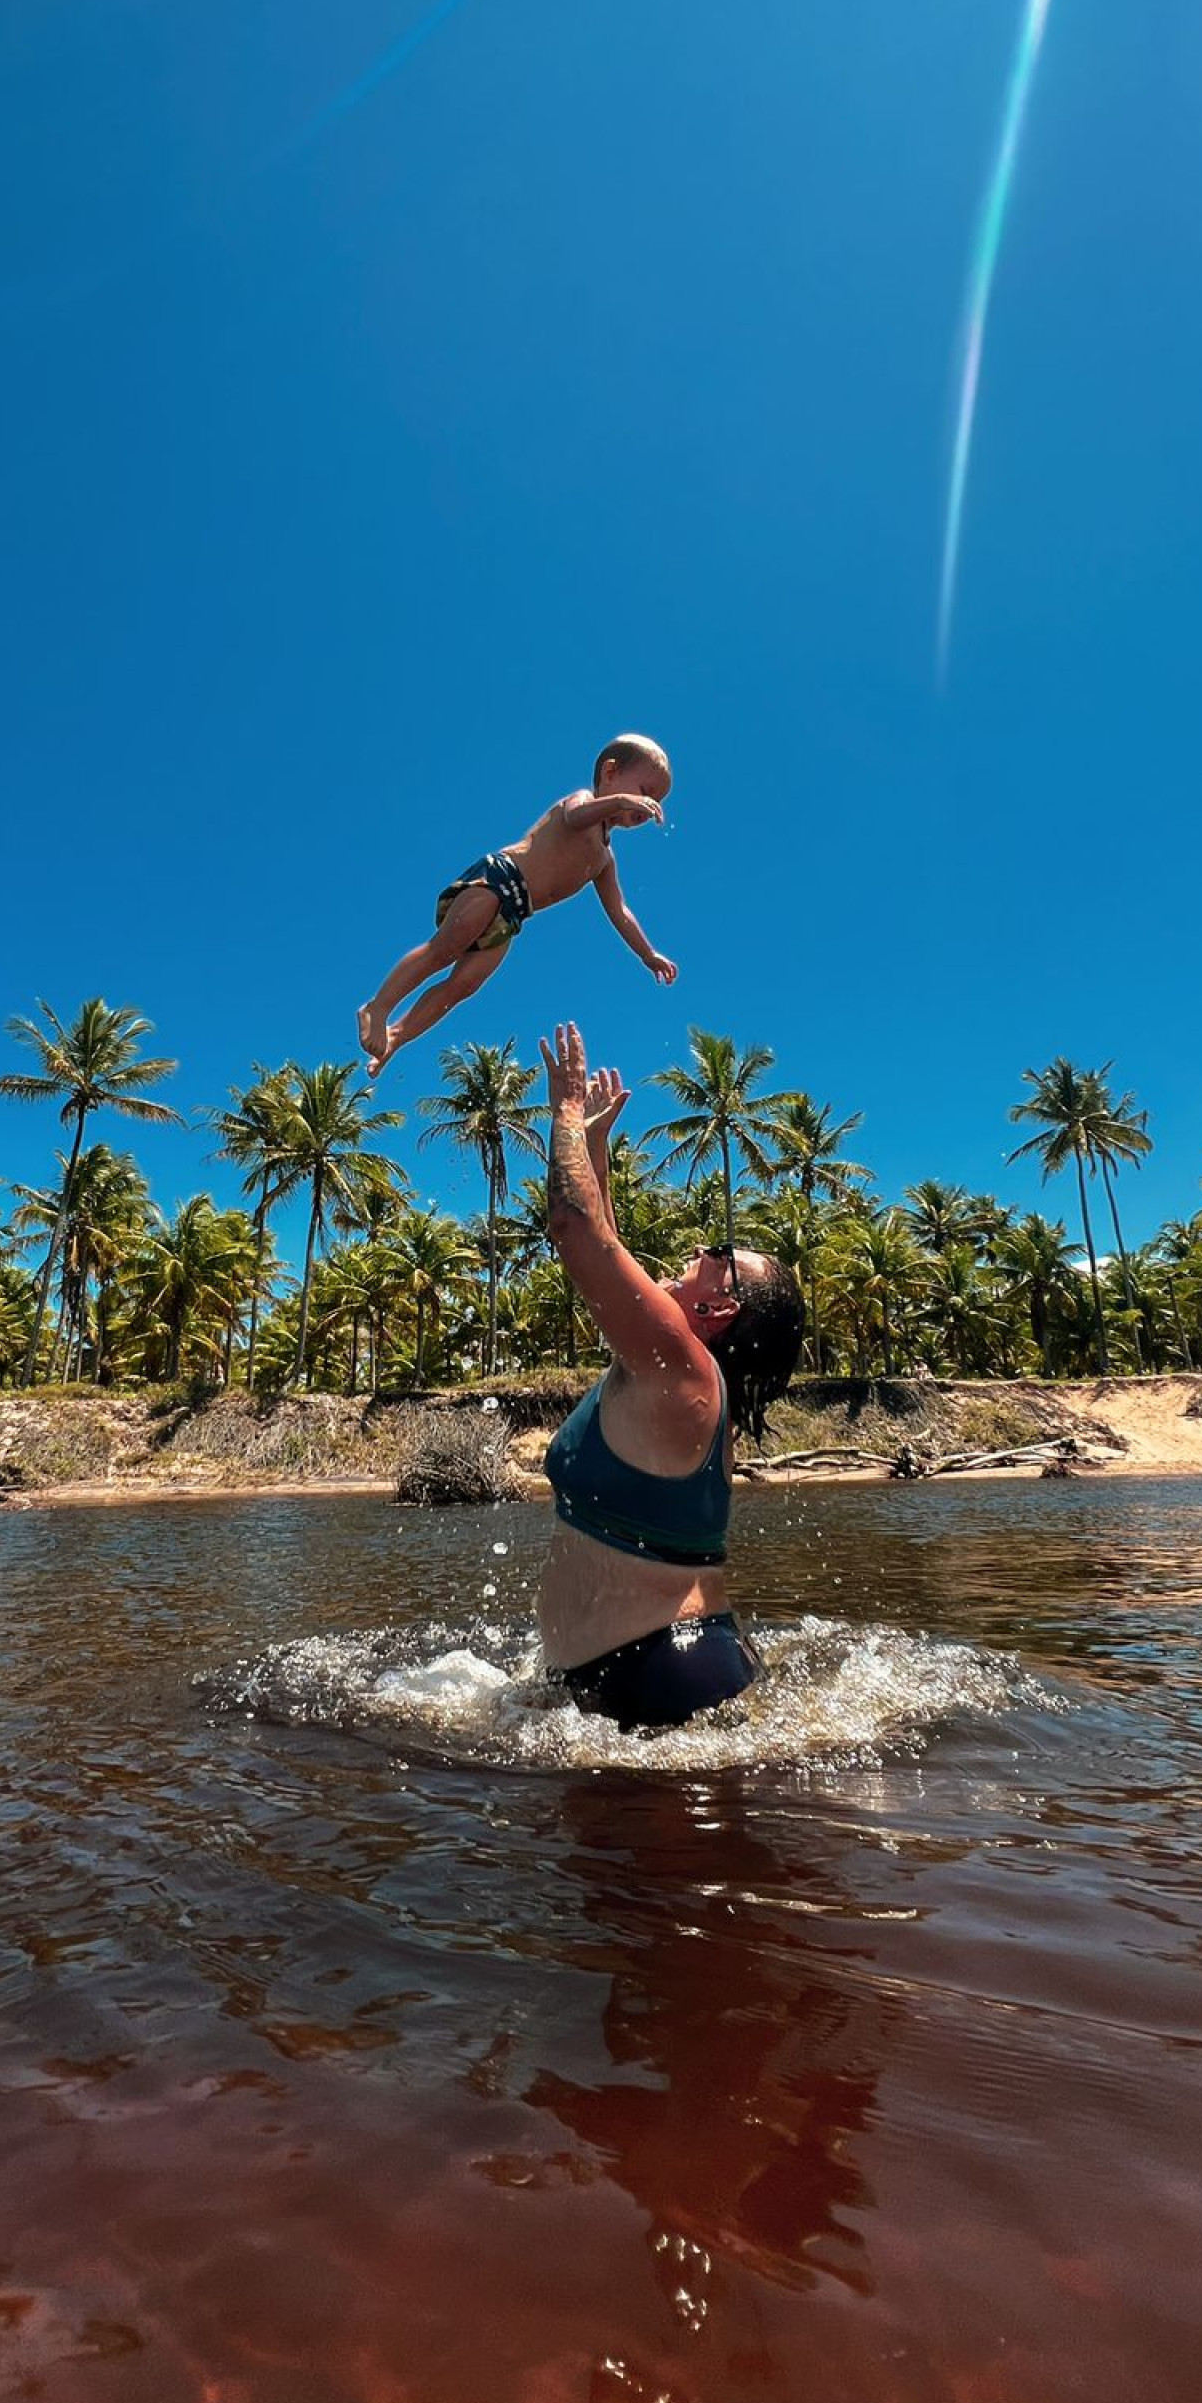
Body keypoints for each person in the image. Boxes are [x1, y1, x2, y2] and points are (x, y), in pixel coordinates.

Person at [537, 1019, 806, 1732]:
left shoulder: (686, 1366)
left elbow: (574, 1227)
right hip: (656, 1667)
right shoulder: (676, 1369)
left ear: (719, 1306)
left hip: (660, 1673)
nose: (695, 1247)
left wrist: (563, 1111)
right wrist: (594, 1143)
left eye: (716, 1253)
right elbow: (605, 1242)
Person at [356, 735, 678, 1078]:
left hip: (514, 914)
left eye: (655, 800)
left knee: (464, 984)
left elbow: (619, 911)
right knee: (445, 949)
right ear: (610, 772)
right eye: (645, 792)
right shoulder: (581, 801)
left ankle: (395, 1037)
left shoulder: (604, 859)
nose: (649, 806)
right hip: (498, 879)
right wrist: (620, 801)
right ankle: (378, 1009)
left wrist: (648, 954)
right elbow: (575, 817)